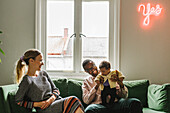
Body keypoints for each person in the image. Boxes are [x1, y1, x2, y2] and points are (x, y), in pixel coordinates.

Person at [15, 49, 84, 113]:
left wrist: (51, 99)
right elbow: (18, 101)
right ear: (31, 61)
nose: (42, 63)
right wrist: (37, 104)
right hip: (45, 109)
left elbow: (56, 90)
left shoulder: (43, 73)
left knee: (75, 102)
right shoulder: (27, 80)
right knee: (73, 100)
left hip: (55, 101)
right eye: (40, 60)